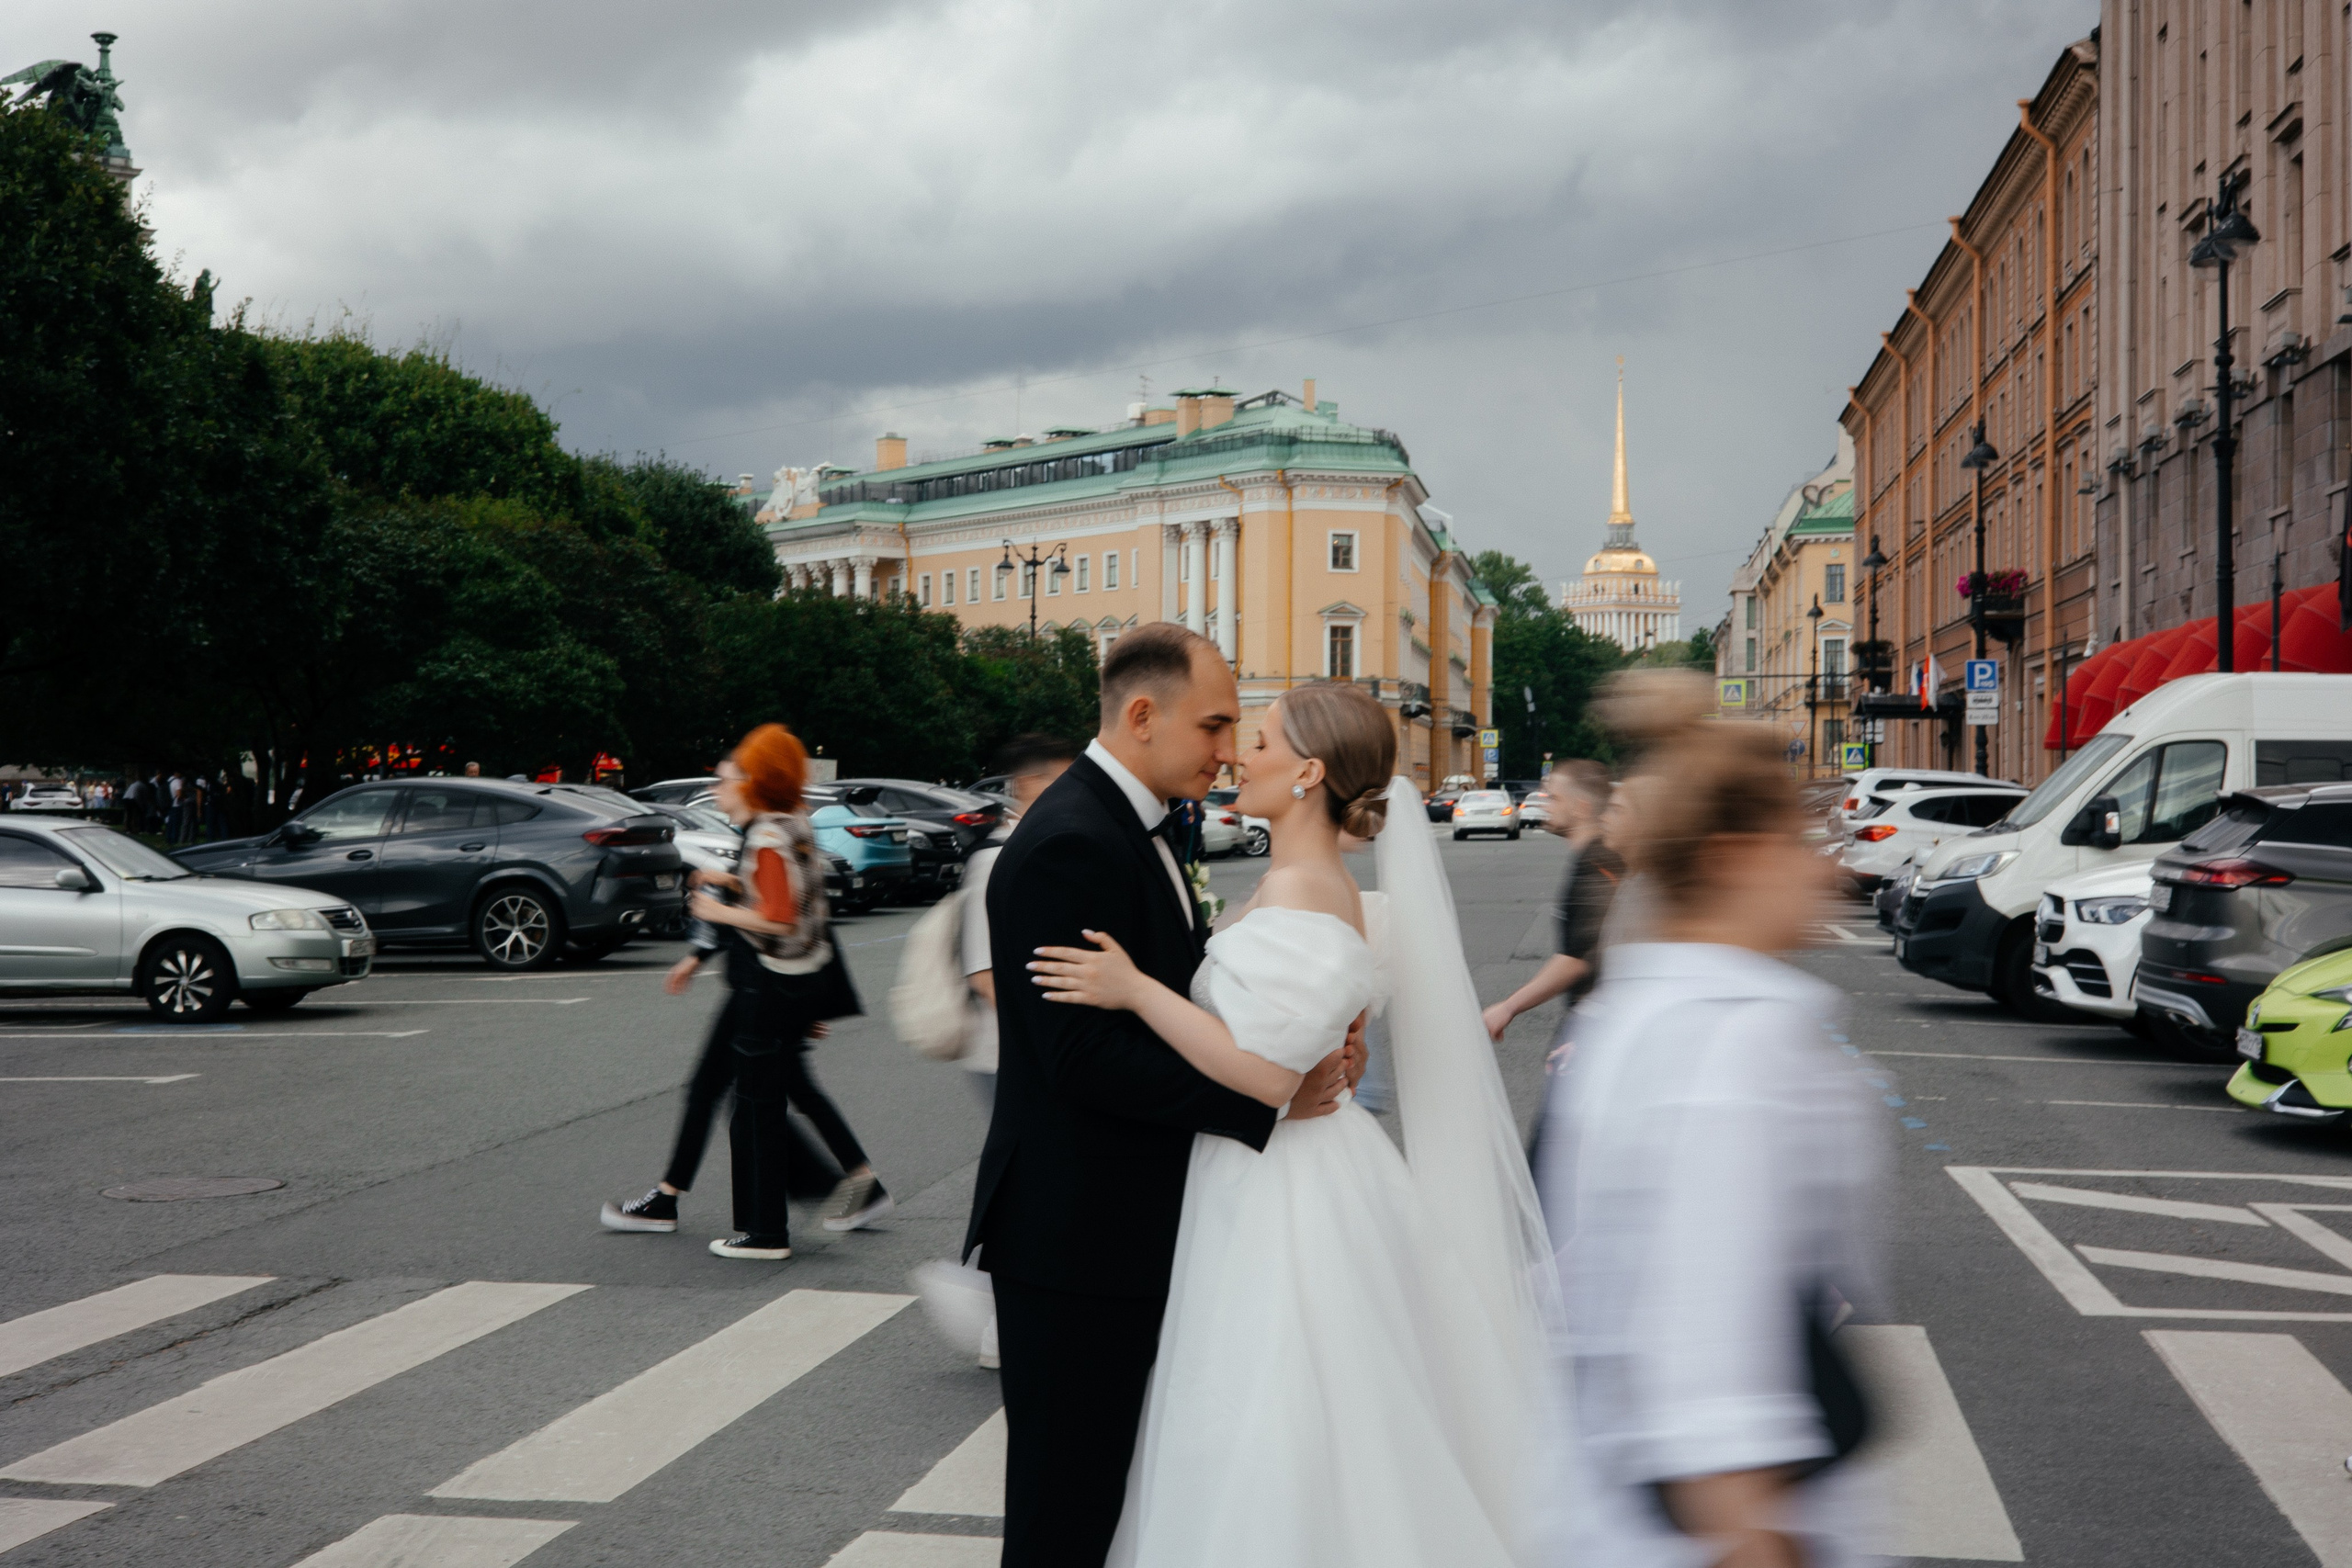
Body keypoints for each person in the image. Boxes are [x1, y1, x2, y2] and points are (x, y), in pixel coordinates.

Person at [1029, 679, 1555, 1568]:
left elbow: (1266, 1075)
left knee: (1273, 1412)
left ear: (1308, 772)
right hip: (1291, 1167)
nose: (1241, 752)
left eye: (1263, 739)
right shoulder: (1305, 883)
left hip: (1280, 1185)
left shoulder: (1305, 890)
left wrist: (1136, 990)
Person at [969, 626, 1365, 1567]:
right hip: (1077, 1239)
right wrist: (1263, 1098)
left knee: (1125, 1499)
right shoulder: (1069, 840)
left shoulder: (1136, 823)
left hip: (1134, 1225)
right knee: (1066, 1514)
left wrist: (1305, 1034)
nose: (1228, 750)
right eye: (1216, 724)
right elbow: (1079, 1058)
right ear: (1142, 717)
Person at [1540, 717, 1882, 1568]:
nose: (1826, 867)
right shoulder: (1736, 1040)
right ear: (1732, 856)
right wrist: (1752, 1536)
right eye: (1801, 841)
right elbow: (1711, 1373)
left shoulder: (1635, 1010)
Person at [601, 726, 889, 1257]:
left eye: (730, 777)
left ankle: (768, 1228)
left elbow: (780, 917)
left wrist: (717, 908)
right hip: (792, 981)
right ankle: (813, 1199)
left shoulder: (767, 836)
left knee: (754, 1106)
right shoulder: (794, 824)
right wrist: (733, 887)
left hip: (769, 984)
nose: (717, 787)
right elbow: (805, 907)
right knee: (756, 1098)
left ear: (759, 780)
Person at [1482, 759, 1621, 1044]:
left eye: (1554, 797)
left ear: (1581, 807)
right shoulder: (1594, 858)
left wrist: (1508, 1007)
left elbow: (1575, 959)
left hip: (1598, 1023)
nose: (1545, 804)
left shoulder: (1595, 865)